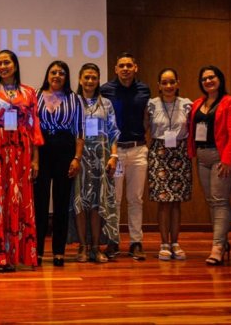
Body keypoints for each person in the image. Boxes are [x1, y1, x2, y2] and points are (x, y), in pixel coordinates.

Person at [0, 49, 44, 272]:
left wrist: (35, 160)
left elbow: (34, 128)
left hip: (21, 152)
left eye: (7, 62)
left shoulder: (29, 92)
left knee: (17, 199)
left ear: (15, 65)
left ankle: (15, 254)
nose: (3, 66)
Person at [188, 66, 231, 265]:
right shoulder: (197, 103)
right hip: (202, 158)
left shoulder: (230, 102)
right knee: (212, 201)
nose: (208, 81)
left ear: (220, 79)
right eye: (204, 79)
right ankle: (222, 242)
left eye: (212, 77)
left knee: (220, 200)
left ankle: (217, 247)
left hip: (222, 157)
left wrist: (228, 160)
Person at [100, 52, 151, 260]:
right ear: (116, 69)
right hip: (116, 152)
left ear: (135, 68)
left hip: (138, 150)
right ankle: (113, 241)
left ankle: (136, 242)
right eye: (121, 65)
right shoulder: (106, 90)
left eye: (129, 65)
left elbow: (147, 117)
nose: (125, 69)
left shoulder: (144, 89)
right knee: (114, 199)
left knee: (135, 199)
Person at [34, 60, 83, 267]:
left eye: (61, 73)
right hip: (42, 150)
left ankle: (58, 251)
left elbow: (80, 131)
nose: (57, 76)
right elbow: (31, 128)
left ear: (66, 77)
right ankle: (36, 251)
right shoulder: (35, 96)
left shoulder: (74, 99)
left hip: (65, 150)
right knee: (40, 203)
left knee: (62, 203)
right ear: (47, 75)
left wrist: (76, 158)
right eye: (53, 72)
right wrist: (33, 159)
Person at [71, 63, 120, 264]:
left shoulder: (106, 103)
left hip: (101, 157)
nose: (90, 81)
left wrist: (113, 156)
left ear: (98, 80)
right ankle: (82, 247)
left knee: (98, 204)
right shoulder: (73, 102)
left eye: (93, 77)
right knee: (80, 203)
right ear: (80, 79)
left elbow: (113, 131)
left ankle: (96, 247)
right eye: (86, 77)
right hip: (79, 157)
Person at [146, 68, 192, 261]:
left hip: (180, 154)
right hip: (159, 153)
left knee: (176, 202)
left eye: (172, 82)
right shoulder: (151, 105)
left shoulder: (187, 105)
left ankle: (175, 242)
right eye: (164, 82)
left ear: (178, 83)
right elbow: (146, 128)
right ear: (158, 85)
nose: (168, 86)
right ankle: (164, 243)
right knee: (164, 202)